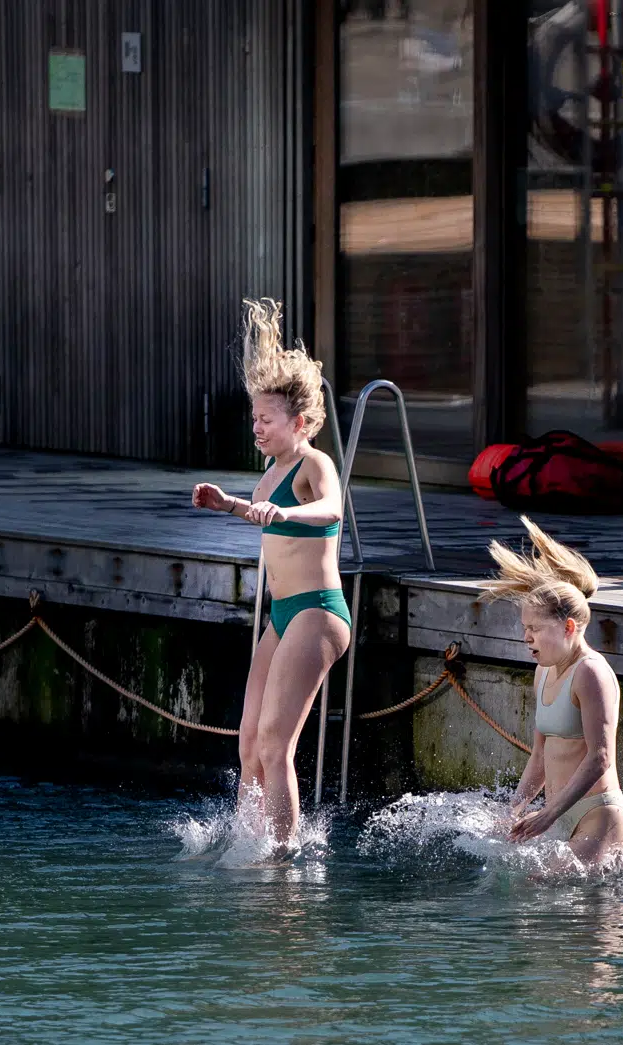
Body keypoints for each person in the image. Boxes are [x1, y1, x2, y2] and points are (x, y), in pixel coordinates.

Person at [191, 298, 351, 847]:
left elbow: (332, 510)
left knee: (276, 743)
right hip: (283, 615)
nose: (255, 428)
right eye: (254, 418)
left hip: (317, 612)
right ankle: (246, 843)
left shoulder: (314, 464)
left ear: (299, 422)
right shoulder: (273, 466)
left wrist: (284, 511)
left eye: (265, 420)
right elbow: (265, 517)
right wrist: (229, 505)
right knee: (248, 744)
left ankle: (280, 859)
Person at [482, 516, 623, 866]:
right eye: (524, 628)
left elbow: (600, 757)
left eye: (534, 628)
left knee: (547, 891)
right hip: (558, 814)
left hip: (597, 814)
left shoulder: (591, 672)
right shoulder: (543, 672)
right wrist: (515, 808)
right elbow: (539, 755)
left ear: (567, 627)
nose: (526, 637)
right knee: (521, 891)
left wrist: (548, 815)